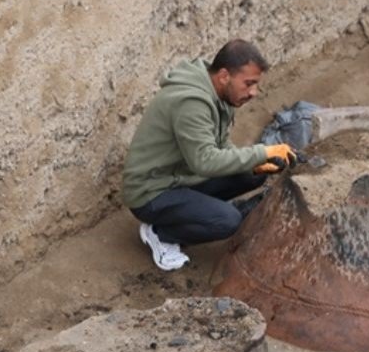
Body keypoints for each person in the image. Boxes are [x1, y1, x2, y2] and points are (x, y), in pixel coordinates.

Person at [121, 39, 298, 271]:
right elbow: (204, 161)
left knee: (252, 174)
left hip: (180, 177)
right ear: (224, 76)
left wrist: (259, 163)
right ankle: (161, 234)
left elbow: (221, 148)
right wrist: (261, 151)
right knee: (228, 221)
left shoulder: (219, 96)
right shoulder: (191, 103)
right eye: (249, 84)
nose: (254, 92)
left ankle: (199, 210)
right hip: (151, 192)